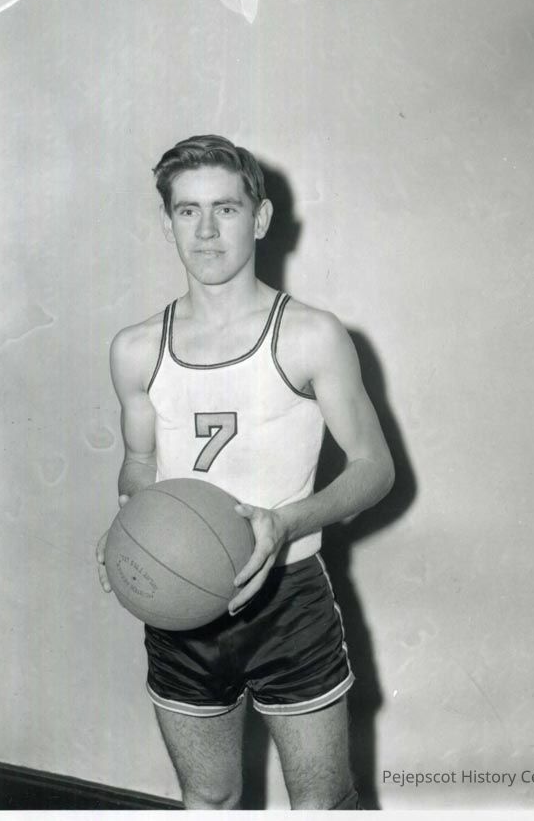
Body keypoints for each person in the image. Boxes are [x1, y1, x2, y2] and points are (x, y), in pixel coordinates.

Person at [96, 135, 394, 810]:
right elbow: (138, 465)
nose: (205, 231)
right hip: (180, 607)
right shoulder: (136, 349)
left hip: (287, 598)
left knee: (323, 805)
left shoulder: (310, 335)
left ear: (259, 219)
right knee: (208, 799)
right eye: (188, 211)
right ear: (167, 222)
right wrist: (130, 525)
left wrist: (285, 522)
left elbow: (375, 469)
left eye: (225, 209)